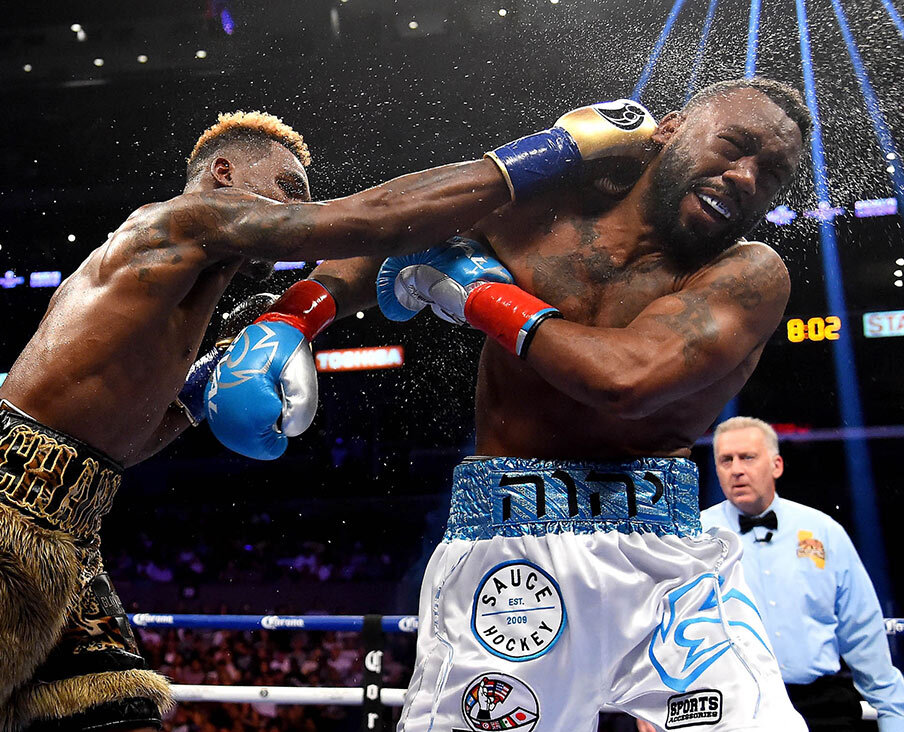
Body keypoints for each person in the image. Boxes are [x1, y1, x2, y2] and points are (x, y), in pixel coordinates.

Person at [0, 106, 560, 732]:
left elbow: (109, 448)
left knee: (118, 717)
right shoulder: (179, 222)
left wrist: (195, 397)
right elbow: (373, 219)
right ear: (225, 175)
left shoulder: (182, 289)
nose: (299, 207)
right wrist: (548, 156)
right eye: (287, 187)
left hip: (69, 539)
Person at [211, 78, 812, 730]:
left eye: (772, 173)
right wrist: (293, 319)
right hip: (511, 555)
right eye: (734, 146)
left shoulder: (749, 273)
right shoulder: (539, 204)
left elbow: (628, 378)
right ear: (669, 128)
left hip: (667, 567)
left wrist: (477, 292)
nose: (747, 176)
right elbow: (392, 232)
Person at [702, 416, 904, 731]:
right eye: (726, 460)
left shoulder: (823, 532)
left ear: (776, 466)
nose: (736, 469)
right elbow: (662, 621)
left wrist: (893, 714)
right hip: (729, 706)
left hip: (821, 706)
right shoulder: (695, 537)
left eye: (748, 457)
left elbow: (861, 628)